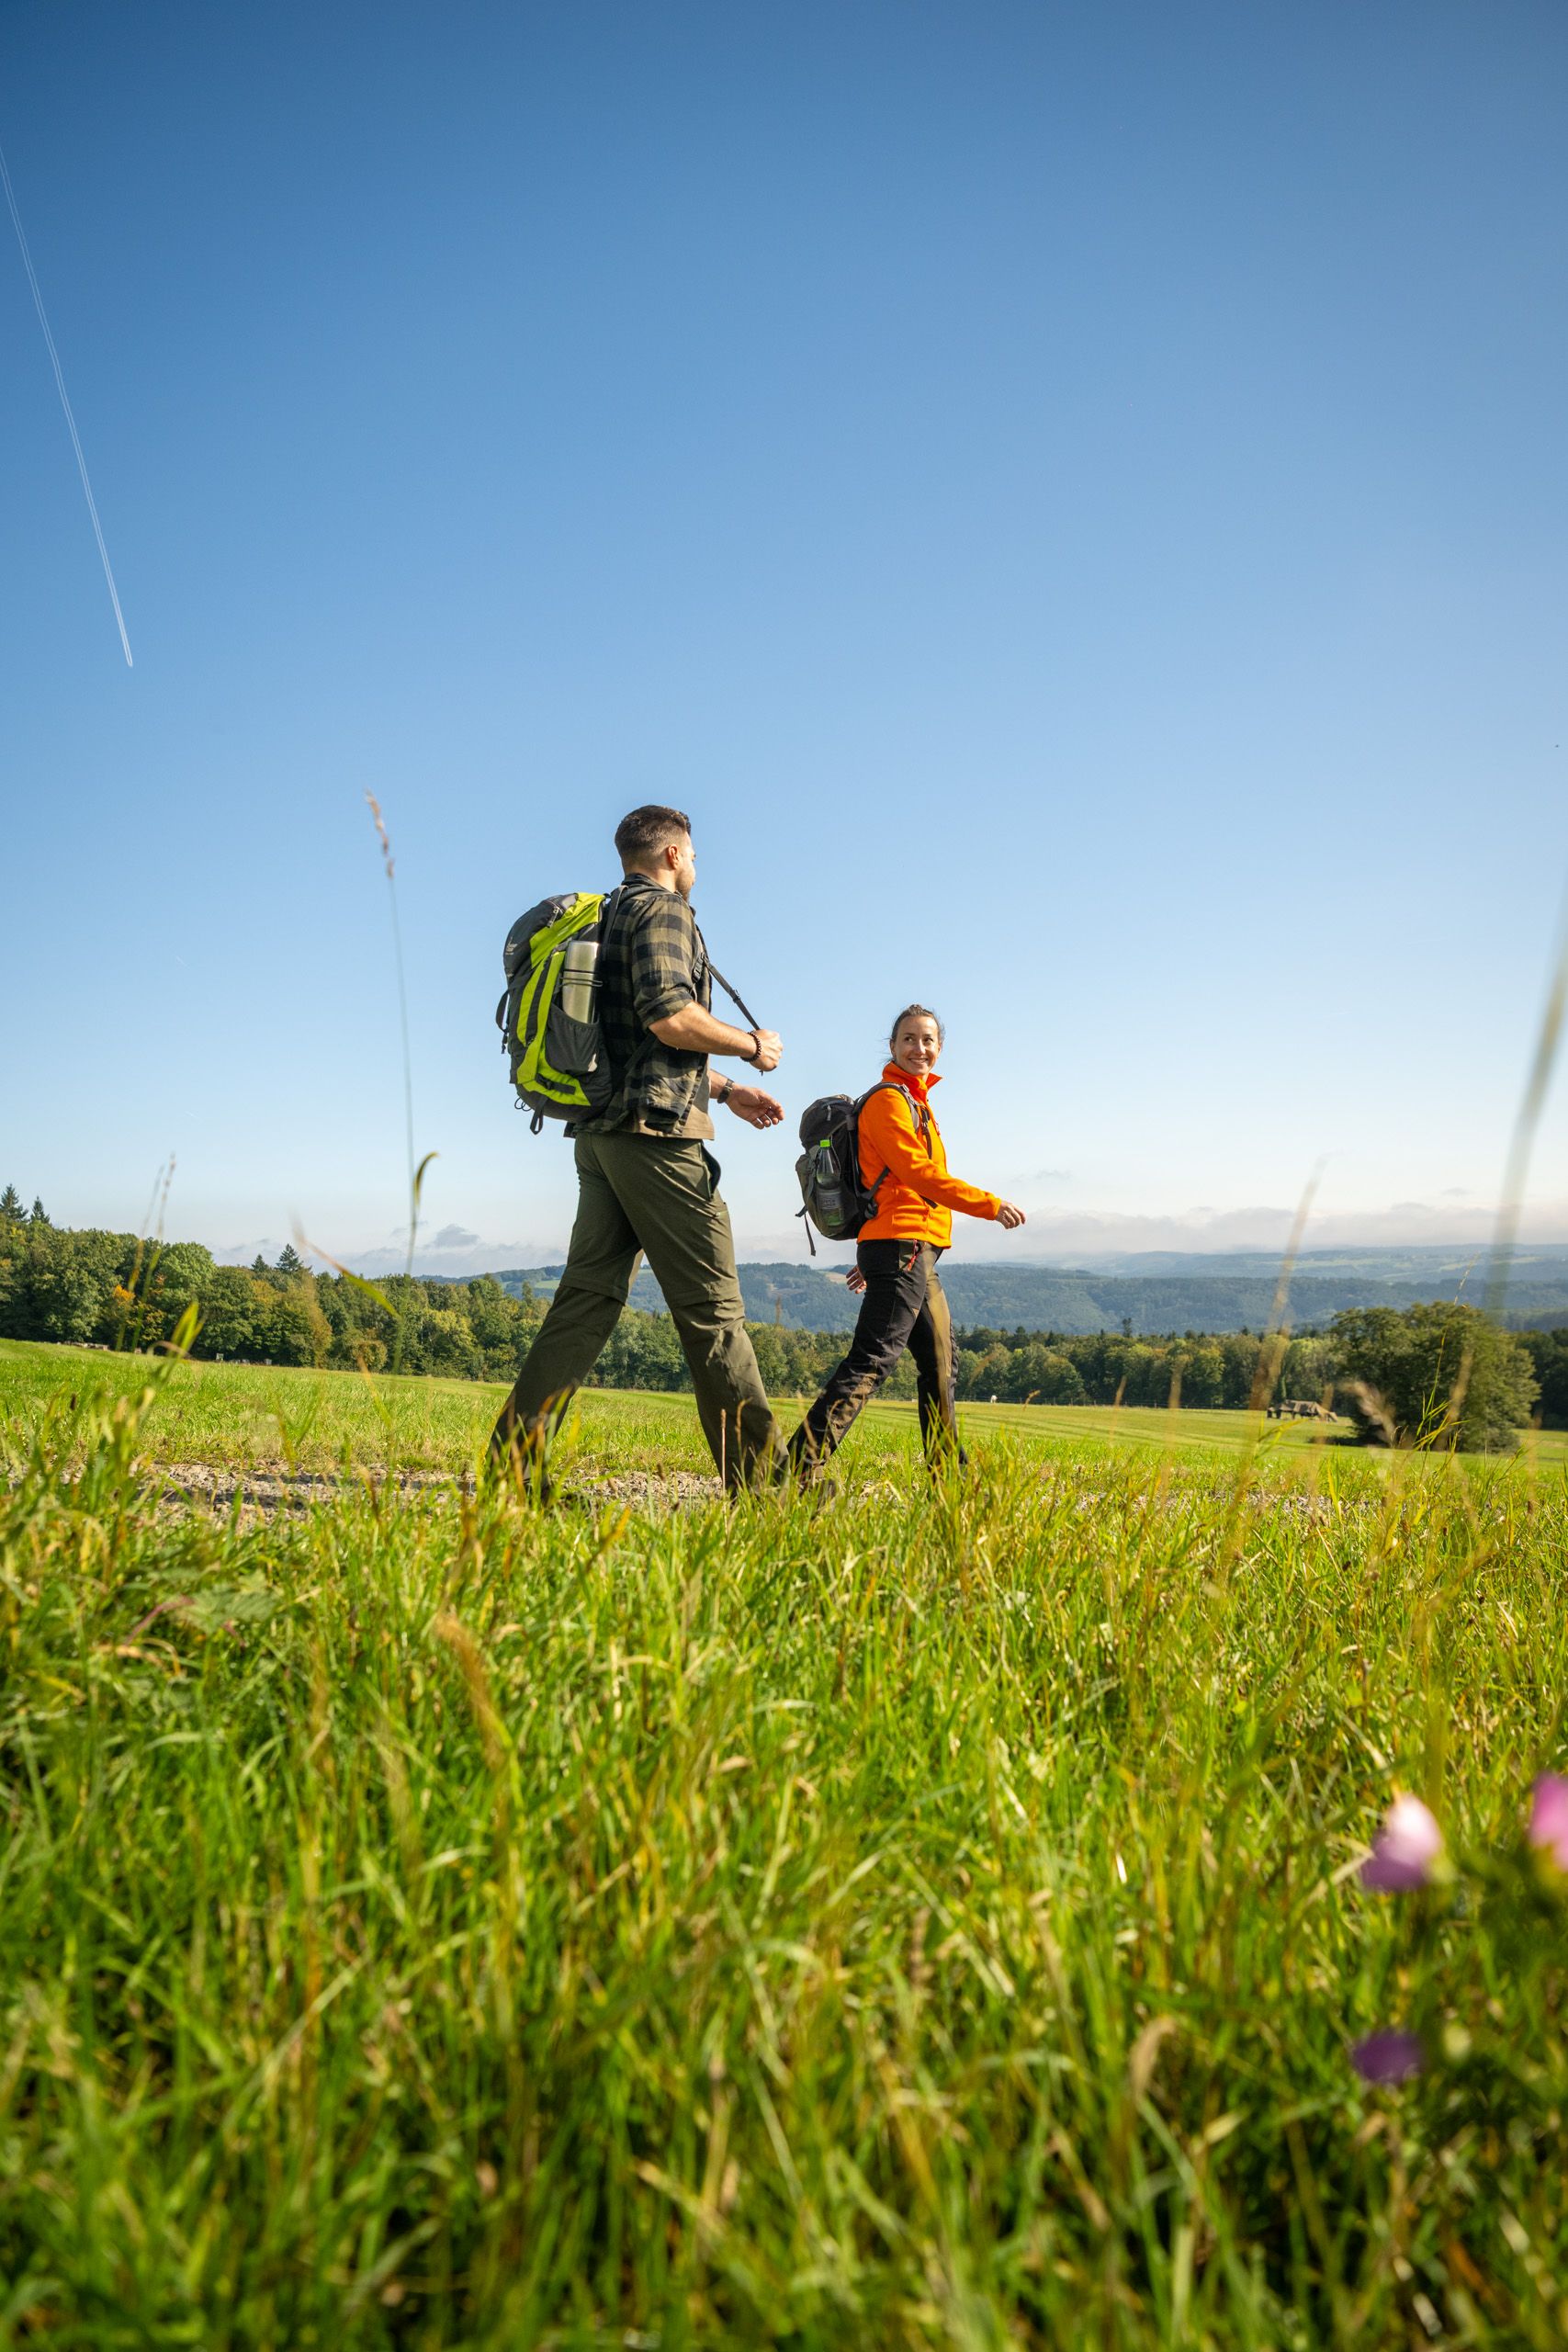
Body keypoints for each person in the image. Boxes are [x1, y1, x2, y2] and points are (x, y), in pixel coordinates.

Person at [491, 805, 789, 1494]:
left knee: (584, 1301)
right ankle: (769, 1488)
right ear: (675, 854)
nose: (695, 868)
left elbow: (630, 1041)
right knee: (712, 1310)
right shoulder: (663, 912)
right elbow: (668, 1015)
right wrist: (752, 1047)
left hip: (601, 1138)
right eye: (694, 856)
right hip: (656, 1142)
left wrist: (723, 1089)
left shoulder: (609, 915)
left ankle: (511, 1473)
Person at [786, 1005, 1025, 1479]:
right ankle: (791, 1471)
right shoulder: (888, 1102)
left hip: (913, 1251)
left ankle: (948, 1480)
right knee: (872, 1360)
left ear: (939, 1049)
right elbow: (918, 1175)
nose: (920, 1049)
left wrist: (880, 1249)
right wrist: (988, 1205)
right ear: (892, 1047)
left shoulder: (918, 1104)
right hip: (903, 1248)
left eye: (929, 1040)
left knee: (941, 1366)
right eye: (910, 1040)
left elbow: (893, 1185)